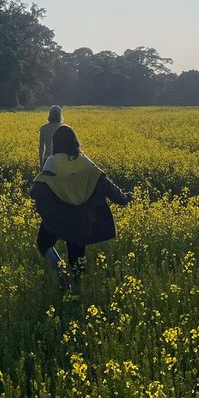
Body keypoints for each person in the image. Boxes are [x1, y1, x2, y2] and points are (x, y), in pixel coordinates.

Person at [29, 124, 132, 289]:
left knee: (44, 243)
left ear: (56, 143)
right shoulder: (85, 162)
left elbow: (39, 188)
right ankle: (77, 291)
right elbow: (106, 185)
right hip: (81, 217)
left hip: (58, 216)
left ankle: (62, 272)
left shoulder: (52, 162)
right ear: (74, 142)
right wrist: (125, 198)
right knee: (77, 259)